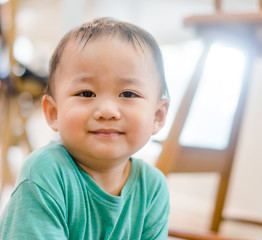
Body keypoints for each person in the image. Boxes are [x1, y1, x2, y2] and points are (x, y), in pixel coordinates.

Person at [0, 17, 170, 239]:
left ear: (157, 116)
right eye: (86, 93)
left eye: (128, 94)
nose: (108, 111)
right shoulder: (45, 173)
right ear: (53, 113)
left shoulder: (152, 188)